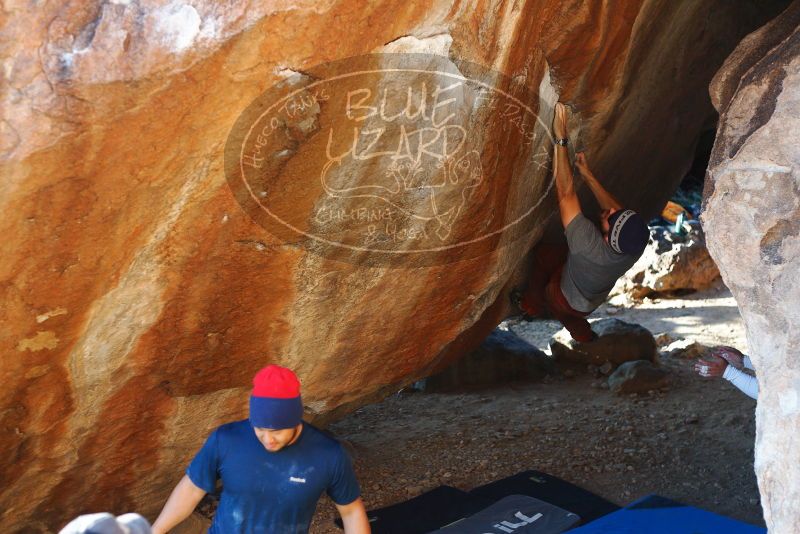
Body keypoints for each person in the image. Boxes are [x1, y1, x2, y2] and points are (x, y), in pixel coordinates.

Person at [152, 365, 370, 534]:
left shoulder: (328, 454)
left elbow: (350, 511)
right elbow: (191, 489)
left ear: (296, 420)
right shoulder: (226, 439)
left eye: (277, 431)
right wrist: (157, 530)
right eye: (260, 428)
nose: (268, 439)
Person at [511, 102, 649, 341]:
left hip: (564, 295)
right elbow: (618, 212)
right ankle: (581, 330)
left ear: (606, 239)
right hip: (592, 297)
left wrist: (561, 138)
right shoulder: (635, 241)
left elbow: (566, 194)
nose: (608, 212)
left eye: (609, 220)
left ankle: (533, 304)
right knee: (574, 309)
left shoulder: (588, 247)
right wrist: (588, 175)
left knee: (546, 262)